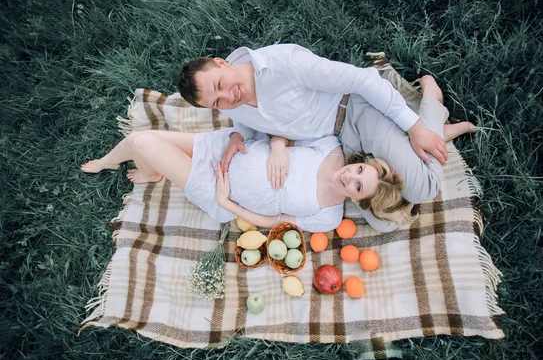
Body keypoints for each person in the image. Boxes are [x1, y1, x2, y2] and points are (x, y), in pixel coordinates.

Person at [176, 45, 474, 231]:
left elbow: (363, 79)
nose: (229, 97)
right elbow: (253, 123)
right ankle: (428, 133)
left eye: (220, 84)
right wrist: (236, 137)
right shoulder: (236, 104)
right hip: (339, 141)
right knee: (381, 219)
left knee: (423, 188)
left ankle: (430, 108)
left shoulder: (285, 63)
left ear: (222, 63)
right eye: (217, 103)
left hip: (356, 110)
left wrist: (413, 128)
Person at [80, 129, 412, 232]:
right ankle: (139, 169)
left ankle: (124, 164)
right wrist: (279, 147)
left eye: (357, 185)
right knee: (144, 139)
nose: (348, 175)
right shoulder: (333, 149)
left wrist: (227, 203)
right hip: (226, 147)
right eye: (359, 170)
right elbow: (282, 130)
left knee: (142, 143)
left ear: (357, 200)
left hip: (217, 187)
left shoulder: (327, 217)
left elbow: (273, 221)